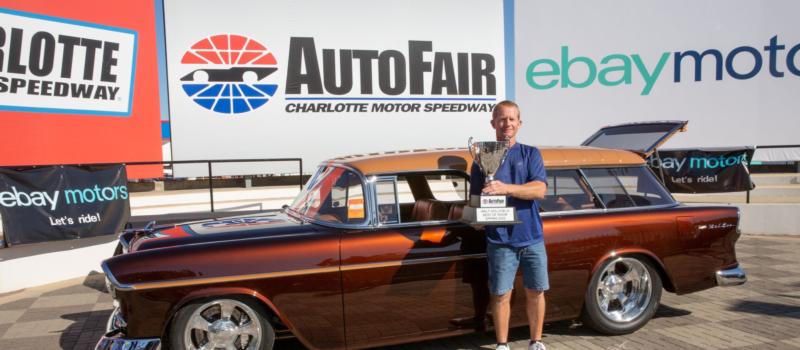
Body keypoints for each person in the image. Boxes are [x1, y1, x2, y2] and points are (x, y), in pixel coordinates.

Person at [470, 100, 548, 350]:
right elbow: (475, 198)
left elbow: (539, 190)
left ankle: (536, 341)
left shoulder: (530, 153)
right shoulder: (482, 156)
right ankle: (502, 345)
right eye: (502, 119)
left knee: (536, 291)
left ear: (519, 123)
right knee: (501, 294)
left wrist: (506, 189)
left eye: (512, 119)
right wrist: (477, 218)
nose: (507, 124)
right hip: (500, 239)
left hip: (532, 236)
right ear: (493, 123)